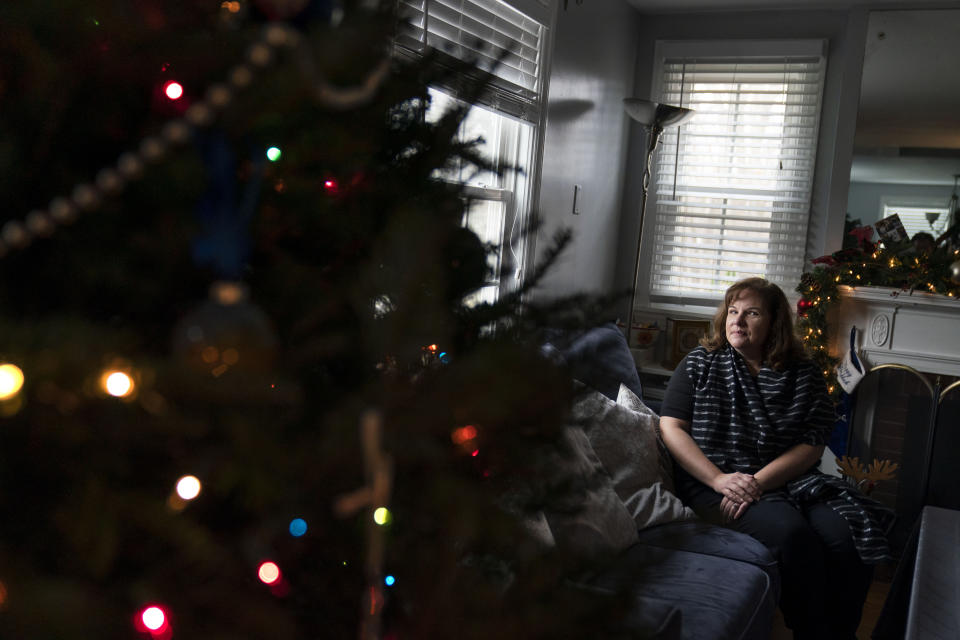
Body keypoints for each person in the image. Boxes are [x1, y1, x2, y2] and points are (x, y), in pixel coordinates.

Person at [659, 277, 893, 640]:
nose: (737, 320)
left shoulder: (804, 373)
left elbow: (811, 445)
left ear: (774, 322)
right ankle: (813, 632)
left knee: (847, 534)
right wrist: (720, 480)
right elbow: (671, 427)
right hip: (714, 482)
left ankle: (841, 633)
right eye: (732, 311)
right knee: (792, 534)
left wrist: (759, 482)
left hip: (789, 480)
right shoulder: (700, 363)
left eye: (751, 313)